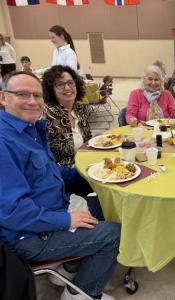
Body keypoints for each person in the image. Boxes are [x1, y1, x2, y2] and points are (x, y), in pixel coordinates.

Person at [0, 71, 120, 300]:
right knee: (115, 233)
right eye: (22, 94)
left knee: (104, 204)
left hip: (53, 208)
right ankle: (81, 293)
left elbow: (52, 173)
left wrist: (93, 175)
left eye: (37, 95)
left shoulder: (32, 129)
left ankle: (67, 268)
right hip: (27, 237)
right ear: (3, 98)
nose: (32, 101)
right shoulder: (3, 142)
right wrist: (66, 220)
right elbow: (12, 212)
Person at [42, 65, 91, 168]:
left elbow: (88, 140)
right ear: (52, 89)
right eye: (60, 84)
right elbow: (46, 158)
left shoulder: (79, 109)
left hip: (86, 164)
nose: (67, 88)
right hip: (64, 173)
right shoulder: (47, 116)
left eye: (70, 82)